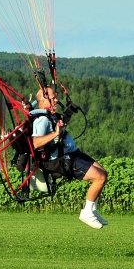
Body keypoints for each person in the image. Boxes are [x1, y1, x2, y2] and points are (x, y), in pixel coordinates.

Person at [31, 87, 108, 228]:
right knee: (99, 178)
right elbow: (36, 143)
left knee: (104, 173)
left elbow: (61, 127)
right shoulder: (41, 119)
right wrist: (55, 133)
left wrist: (69, 112)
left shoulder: (51, 115)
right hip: (61, 160)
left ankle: (92, 210)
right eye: (53, 98)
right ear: (43, 100)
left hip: (72, 152)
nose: (57, 100)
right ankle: (86, 213)